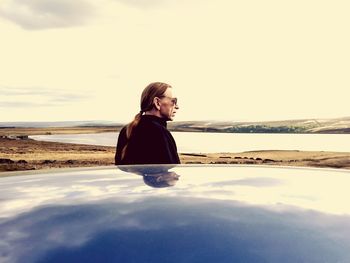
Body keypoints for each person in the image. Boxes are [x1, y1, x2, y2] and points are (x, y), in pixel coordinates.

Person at [115, 82, 180, 165]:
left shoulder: (127, 129)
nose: (177, 106)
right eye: (173, 101)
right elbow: (171, 173)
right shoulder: (159, 132)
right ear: (157, 103)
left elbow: (120, 167)